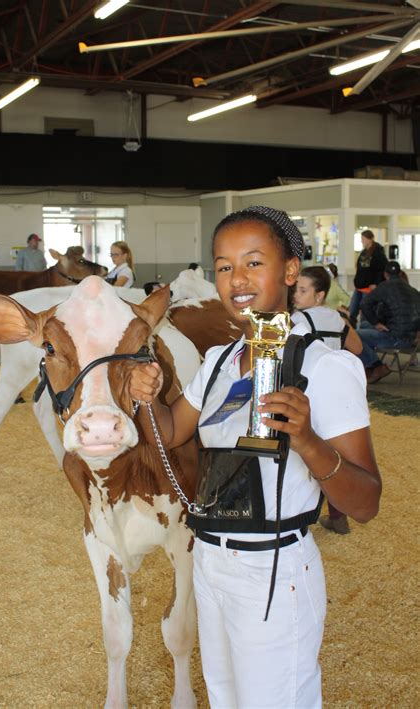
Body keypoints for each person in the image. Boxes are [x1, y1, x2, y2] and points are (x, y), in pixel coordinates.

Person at [129, 206, 381, 708]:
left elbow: (366, 501)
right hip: (210, 560)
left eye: (252, 263)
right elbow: (175, 430)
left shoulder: (324, 366)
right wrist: (145, 397)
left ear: (290, 271)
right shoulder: (221, 360)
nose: (236, 280)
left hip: (274, 568)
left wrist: (307, 440)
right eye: (223, 266)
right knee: (224, 698)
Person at [293, 266, 363, 536]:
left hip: (306, 395)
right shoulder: (336, 318)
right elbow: (356, 348)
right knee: (333, 458)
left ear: (319, 295)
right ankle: (338, 516)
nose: (296, 295)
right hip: (334, 397)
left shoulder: (297, 320)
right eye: (296, 289)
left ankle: (299, 519)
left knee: (303, 458)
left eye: (302, 290)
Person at [358, 260, 420, 384]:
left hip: (396, 338)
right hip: (412, 338)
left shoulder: (385, 287)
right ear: (400, 273)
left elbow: (364, 304)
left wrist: (376, 323)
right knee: (364, 325)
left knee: (355, 334)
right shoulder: (412, 290)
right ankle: (369, 366)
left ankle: (376, 365)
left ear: (385, 274)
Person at [349, 229, 387, 323]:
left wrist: (376, 283)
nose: (362, 241)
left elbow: (382, 270)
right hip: (359, 287)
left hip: (368, 288)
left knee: (365, 313)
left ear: (370, 239)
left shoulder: (378, 253)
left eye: (363, 239)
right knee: (352, 311)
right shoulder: (363, 252)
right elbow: (360, 268)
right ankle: (350, 331)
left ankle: (363, 333)